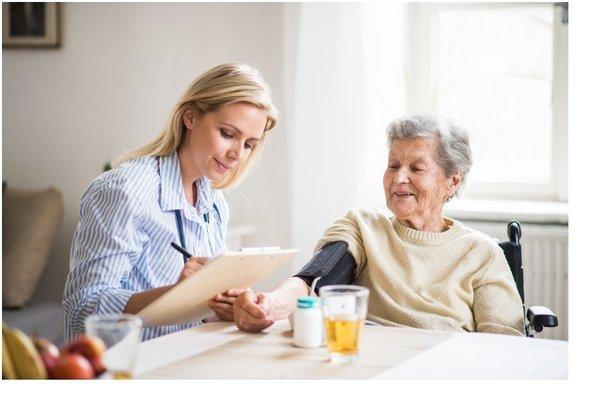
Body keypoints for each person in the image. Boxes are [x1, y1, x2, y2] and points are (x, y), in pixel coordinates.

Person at [232, 115, 524, 336]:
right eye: (393, 165)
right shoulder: (362, 226)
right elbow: (313, 279)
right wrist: (269, 305)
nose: (399, 179)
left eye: (416, 168)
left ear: (453, 180)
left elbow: (503, 345)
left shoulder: (481, 253)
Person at [63, 63, 277, 341]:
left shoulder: (213, 203)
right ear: (190, 117)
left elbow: (199, 311)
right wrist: (176, 294)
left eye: (248, 144)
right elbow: (82, 309)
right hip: (124, 368)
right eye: (227, 134)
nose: (237, 154)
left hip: (181, 358)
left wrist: (228, 305)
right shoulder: (124, 191)